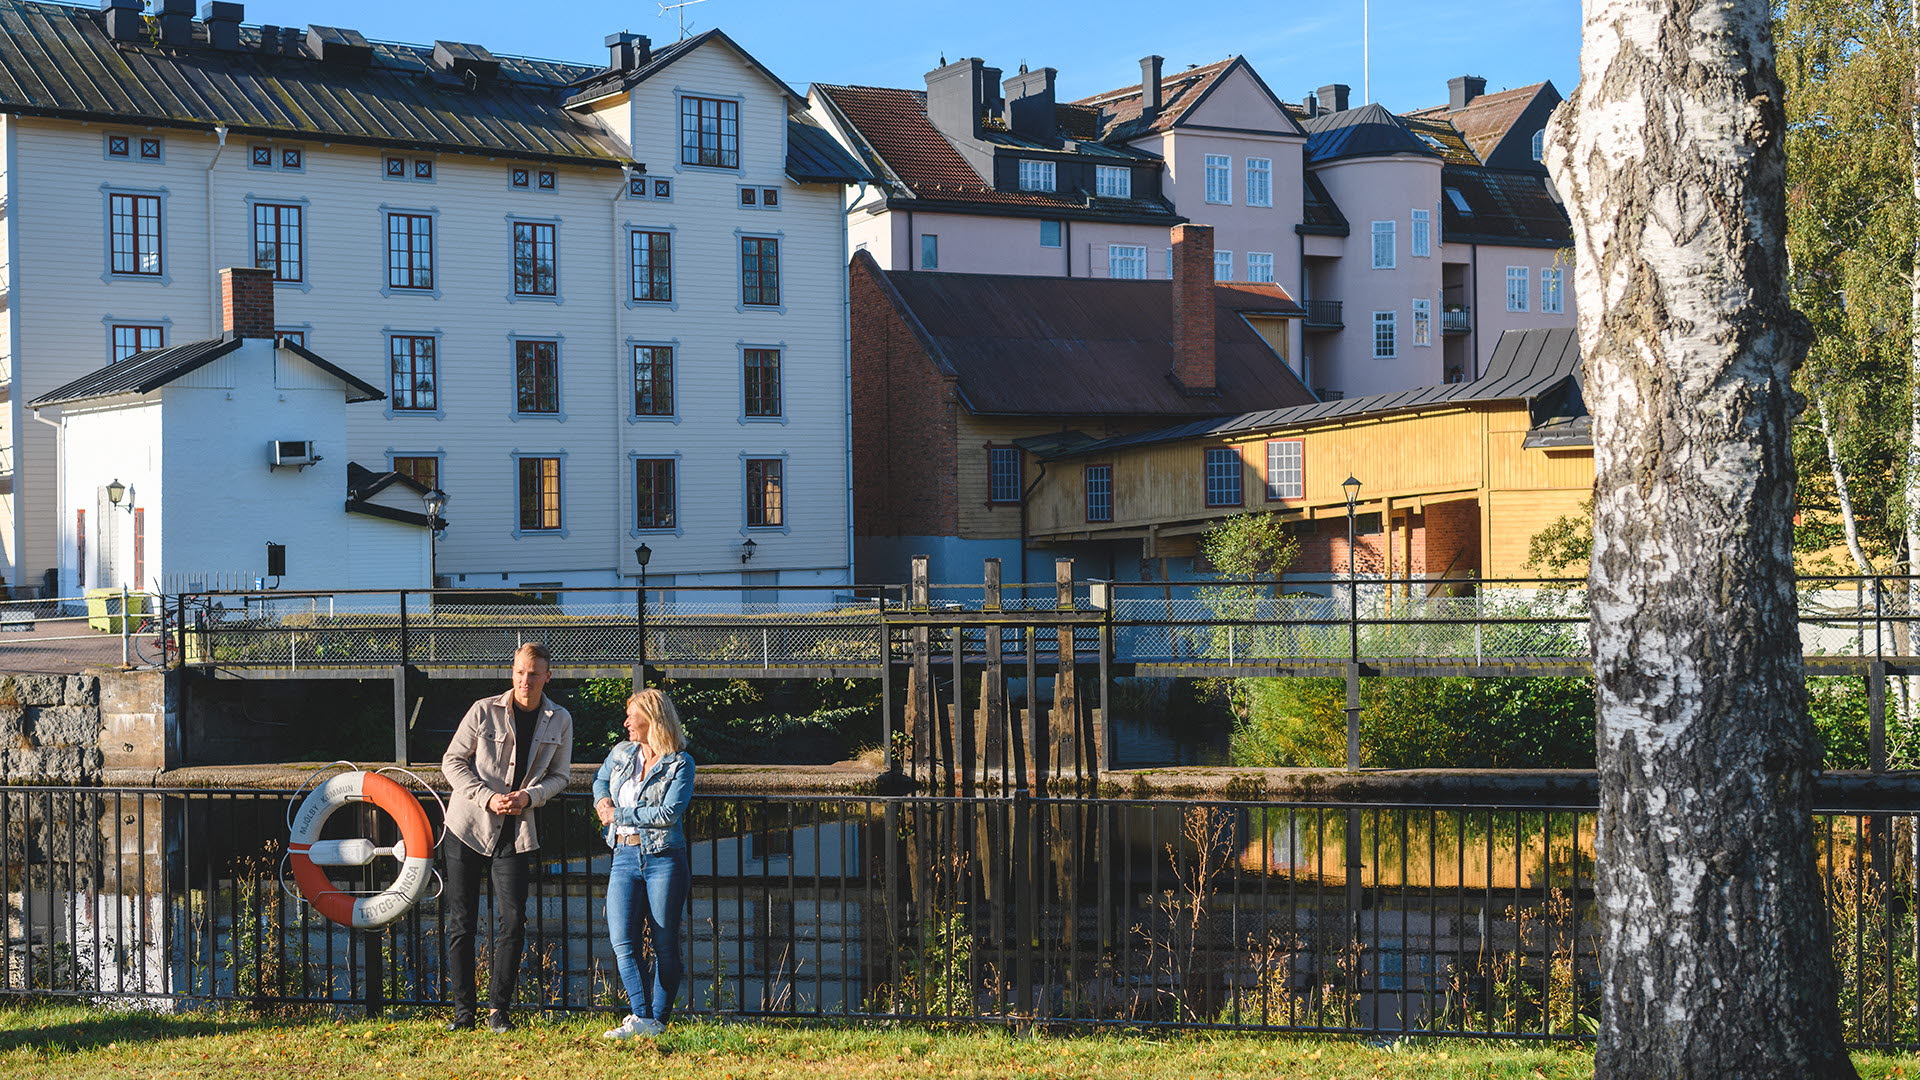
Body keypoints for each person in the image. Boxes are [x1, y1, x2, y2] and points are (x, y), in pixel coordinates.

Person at [440, 641, 573, 1033]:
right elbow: (452, 761)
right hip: (467, 827)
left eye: (533, 674)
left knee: (513, 921)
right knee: (461, 922)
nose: (525, 680)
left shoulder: (560, 718)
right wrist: (488, 797)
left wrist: (530, 797)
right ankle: (463, 1012)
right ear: (511, 672)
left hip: (517, 834)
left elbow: (560, 776)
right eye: (519, 672)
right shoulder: (483, 710)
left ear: (547, 676)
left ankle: (498, 1009)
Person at [594, 688, 695, 1039]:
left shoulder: (680, 763)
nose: (626, 722)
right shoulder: (622, 753)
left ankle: (658, 1019)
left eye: (631, 715)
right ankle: (642, 1018)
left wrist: (617, 812)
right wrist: (602, 801)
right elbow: (600, 779)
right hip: (622, 854)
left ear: (652, 718)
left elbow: (668, 813)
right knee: (623, 940)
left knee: (665, 942)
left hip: (663, 858)